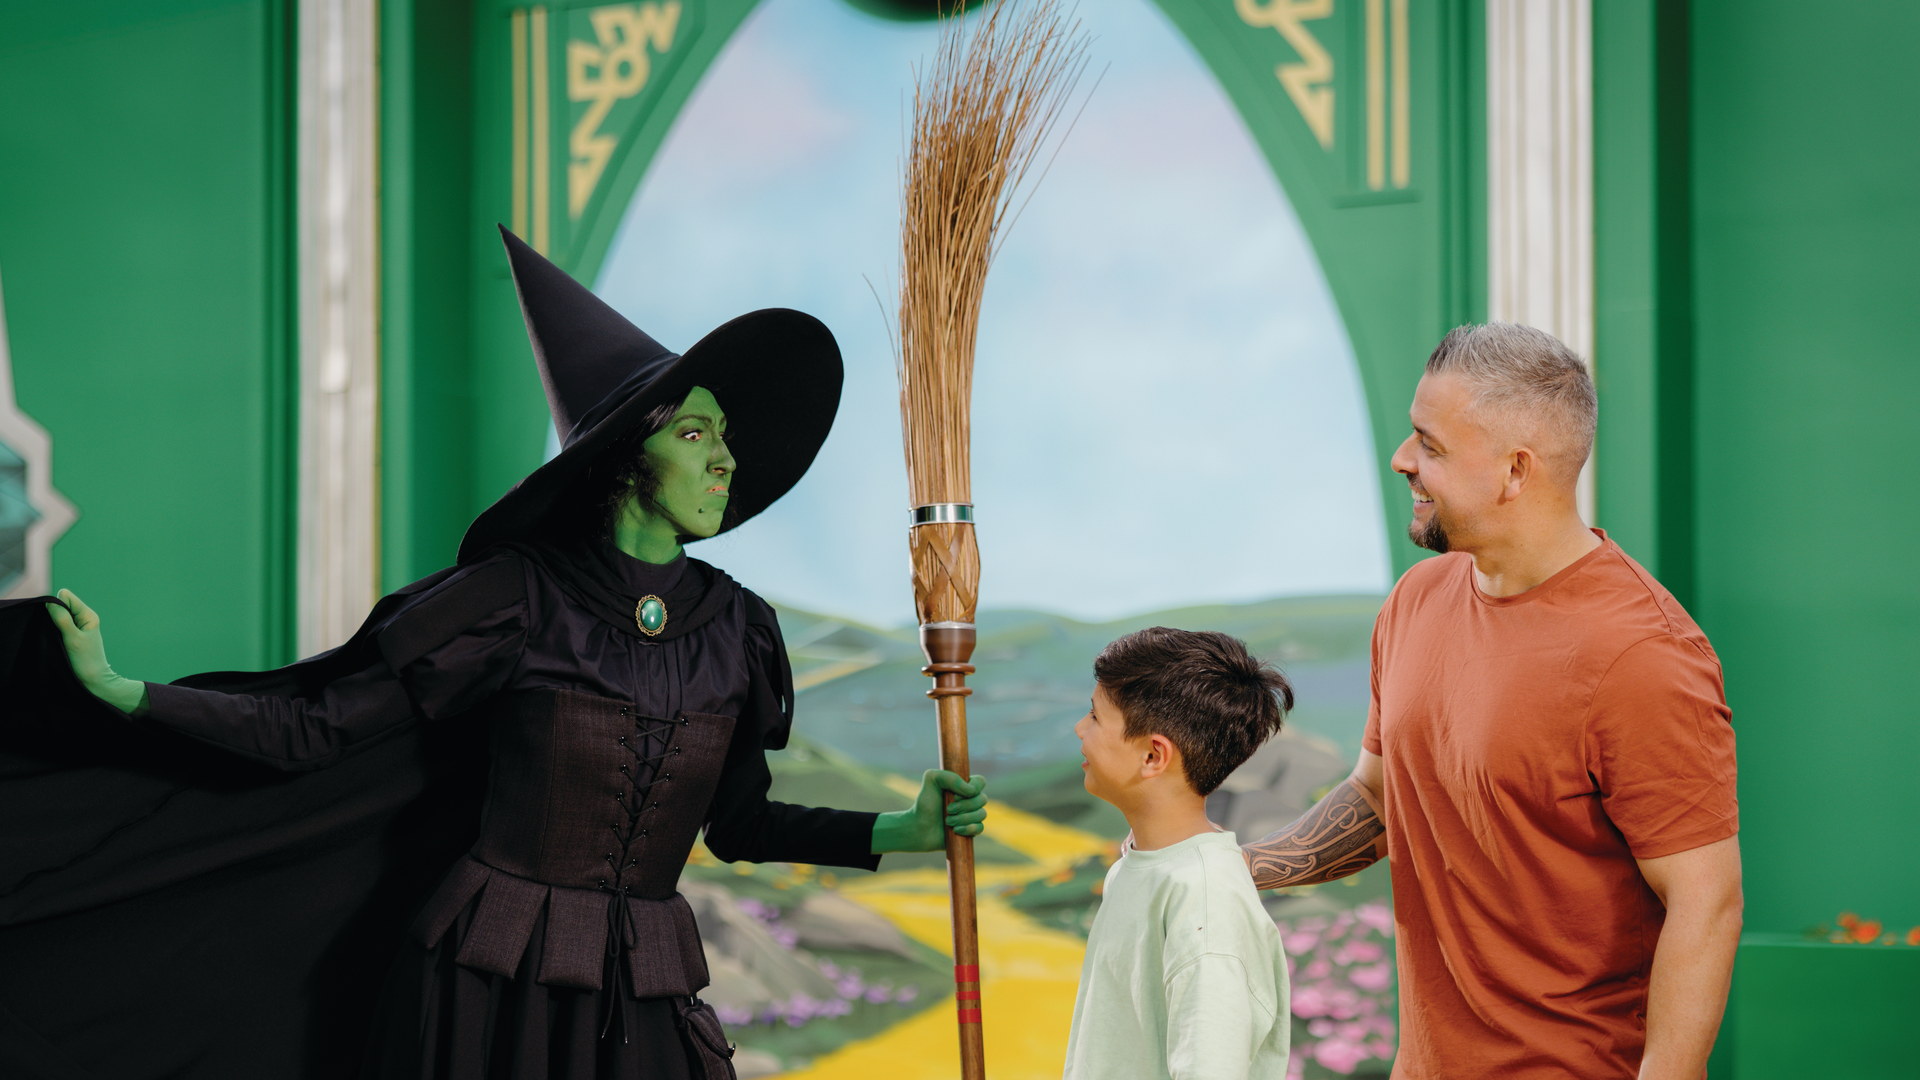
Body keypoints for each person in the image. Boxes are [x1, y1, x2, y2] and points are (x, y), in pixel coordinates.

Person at [0, 228, 988, 1080]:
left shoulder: (740, 633)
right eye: (697, 432)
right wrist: (124, 694)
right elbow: (312, 729)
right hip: (485, 985)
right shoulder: (512, 600)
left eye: (725, 439)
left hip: (642, 988)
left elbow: (734, 822)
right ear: (628, 455)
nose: (725, 459)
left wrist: (895, 832)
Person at [1241, 323, 1741, 1079]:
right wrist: (1237, 867)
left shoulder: (1643, 656)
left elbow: (1706, 904)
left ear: (1515, 472)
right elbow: (1381, 800)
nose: (1401, 460)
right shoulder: (1417, 599)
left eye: (1430, 446)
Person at [1062, 627, 1294, 1080]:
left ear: (1153, 755)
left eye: (1094, 716)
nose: (1079, 727)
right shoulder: (1136, 867)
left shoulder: (1203, 897)